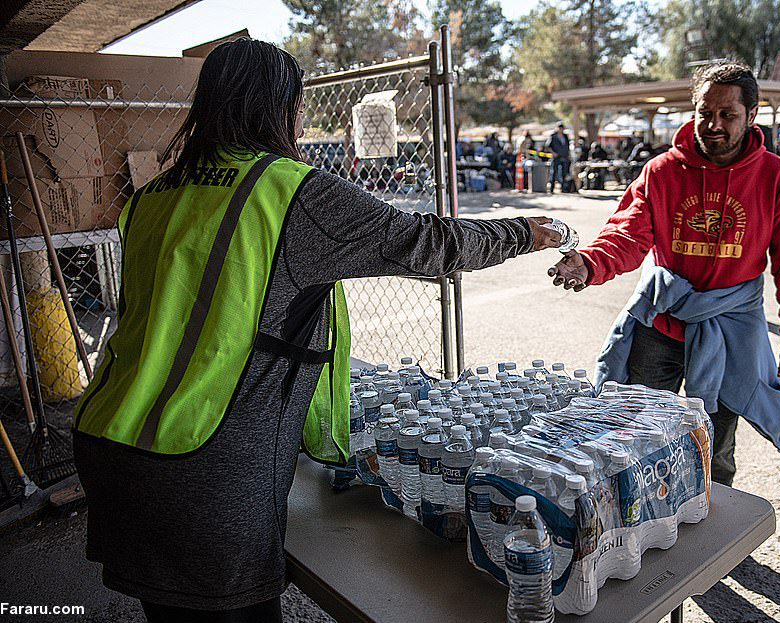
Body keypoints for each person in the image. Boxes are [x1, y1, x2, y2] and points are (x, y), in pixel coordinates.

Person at [72, 38, 561, 623]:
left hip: (112, 443)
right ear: (282, 110)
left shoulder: (152, 195)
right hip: (205, 466)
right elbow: (430, 244)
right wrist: (525, 233)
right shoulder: (290, 192)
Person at [547, 62, 780, 486]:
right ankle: (636, 516)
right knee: (634, 432)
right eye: (704, 113)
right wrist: (590, 262)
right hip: (661, 322)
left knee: (715, 443)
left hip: (730, 329)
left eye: (727, 115)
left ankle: (716, 534)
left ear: (752, 117)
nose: (713, 125)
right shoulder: (661, 171)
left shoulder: (774, 177)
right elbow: (627, 234)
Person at [547, 122, 571, 193]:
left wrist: (568, 154)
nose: (561, 129)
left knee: (563, 173)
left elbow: (567, 146)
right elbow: (548, 146)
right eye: (560, 128)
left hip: (564, 156)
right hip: (556, 157)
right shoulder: (553, 136)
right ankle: (551, 189)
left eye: (562, 128)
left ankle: (563, 189)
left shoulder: (565, 136)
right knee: (554, 173)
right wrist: (553, 153)